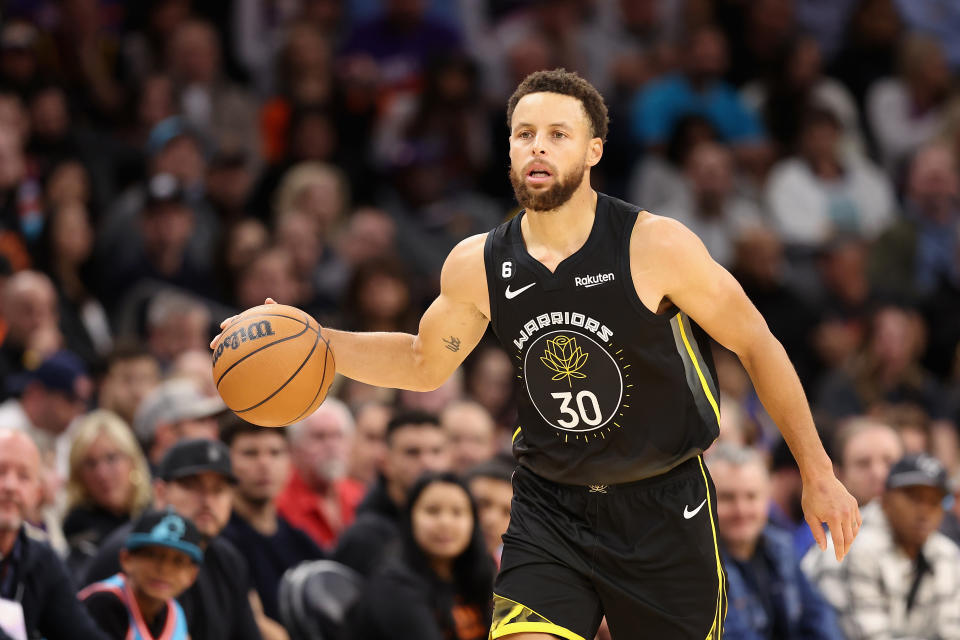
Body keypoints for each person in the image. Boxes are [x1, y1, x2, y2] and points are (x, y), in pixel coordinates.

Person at [216, 68, 860, 639]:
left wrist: (818, 471)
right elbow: (422, 362)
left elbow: (757, 343)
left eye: (557, 133)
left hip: (662, 504)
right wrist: (319, 344)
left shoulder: (655, 246)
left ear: (594, 150)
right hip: (551, 504)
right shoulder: (477, 263)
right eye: (524, 134)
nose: (538, 147)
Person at [84, 439, 263, 640]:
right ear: (160, 492)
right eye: (192, 486)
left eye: (218, 490)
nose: (207, 500)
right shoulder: (130, 548)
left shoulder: (229, 559)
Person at [803, 454, 960, 639]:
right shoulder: (852, 545)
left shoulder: (945, 552)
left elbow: (951, 631)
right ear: (885, 498)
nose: (925, 511)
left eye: (934, 502)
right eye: (915, 498)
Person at [708, 443, 845, 640]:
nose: (742, 510)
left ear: (767, 498)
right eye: (727, 498)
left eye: (751, 496)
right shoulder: (697, 563)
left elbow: (820, 618)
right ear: (706, 499)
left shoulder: (782, 547)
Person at [343, 472, 494, 640]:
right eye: (432, 511)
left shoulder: (480, 574)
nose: (445, 522)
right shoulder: (393, 586)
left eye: (457, 512)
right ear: (410, 518)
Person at [0, 429, 109, 640]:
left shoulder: (41, 558)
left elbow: (81, 633)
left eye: (23, 476)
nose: (10, 486)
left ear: (37, 494)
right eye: (0, 471)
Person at [219, 415, 323, 623]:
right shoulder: (220, 542)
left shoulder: (301, 541)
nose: (264, 464)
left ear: (289, 463)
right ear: (225, 462)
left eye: (275, 453)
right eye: (250, 453)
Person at [333, 410, 450, 577]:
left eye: (436, 451)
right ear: (385, 462)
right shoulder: (364, 538)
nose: (427, 462)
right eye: (412, 452)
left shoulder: (458, 527)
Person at [80, 509, 202, 640]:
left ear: (192, 575)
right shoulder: (103, 602)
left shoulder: (176, 613)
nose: (164, 569)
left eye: (178, 561)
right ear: (126, 559)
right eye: (152, 555)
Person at [63, 409, 152, 581]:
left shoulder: (156, 511)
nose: (102, 473)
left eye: (111, 458)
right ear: (79, 475)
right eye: (90, 463)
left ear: (132, 461)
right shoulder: (79, 530)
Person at [275, 398, 365, 549]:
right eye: (319, 436)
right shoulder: (278, 504)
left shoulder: (360, 495)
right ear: (294, 447)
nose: (331, 446)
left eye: (338, 435)